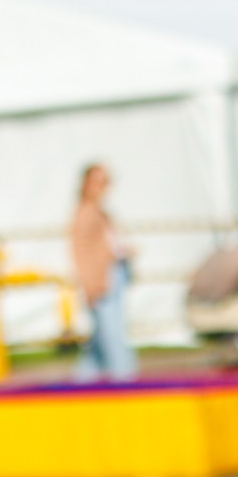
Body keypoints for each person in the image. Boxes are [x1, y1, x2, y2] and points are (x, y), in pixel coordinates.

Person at [71, 163, 138, 382]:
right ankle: (125, 382)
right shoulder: (85, 212)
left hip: (112, 276)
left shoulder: (101, 212)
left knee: (99, 343)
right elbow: (80, 251)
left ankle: (82, 383)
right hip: (101, 282)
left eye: (106, 181)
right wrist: (90, 284)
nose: (104, 187)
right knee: (113, 337)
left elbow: (107, 244)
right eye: (99, 181)